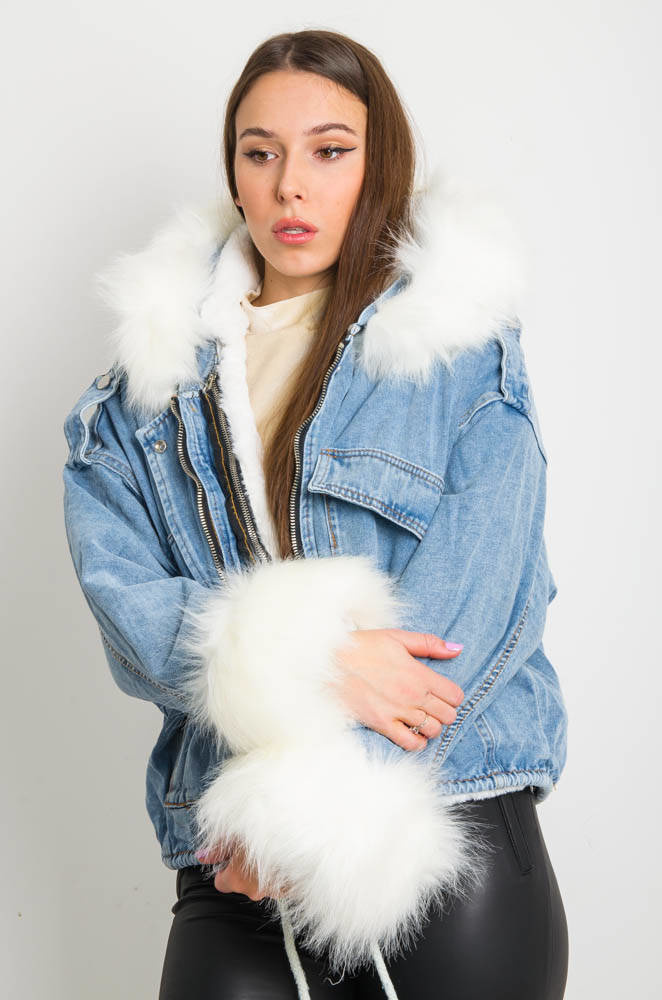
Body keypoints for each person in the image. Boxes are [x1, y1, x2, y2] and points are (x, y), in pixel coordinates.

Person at [62, 27, 569, 1000]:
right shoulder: (139, 397)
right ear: (234, 172)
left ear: (380, 164)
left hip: (438, 827)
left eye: (329, 150)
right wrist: (308, 658)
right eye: (260, 153)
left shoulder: (454, 345)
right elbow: (128, 619)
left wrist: (311, 814)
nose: (290, 185)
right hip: (236, 863)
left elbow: (483, 598)